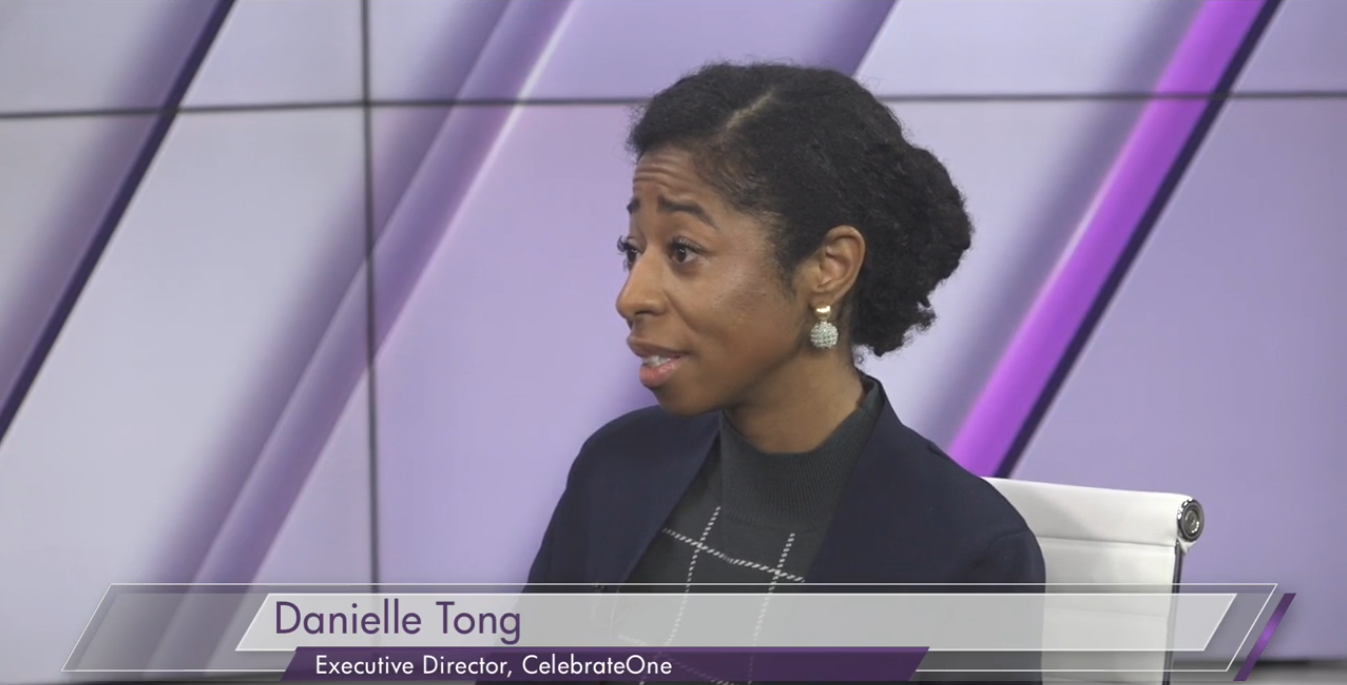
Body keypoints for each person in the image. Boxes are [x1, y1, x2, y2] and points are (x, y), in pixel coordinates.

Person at [527, 62, 1044, 683]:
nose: (631, 296)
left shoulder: (967, 552)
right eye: (633, 252)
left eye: (683, 251)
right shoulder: (616, 469)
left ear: (828, 268)